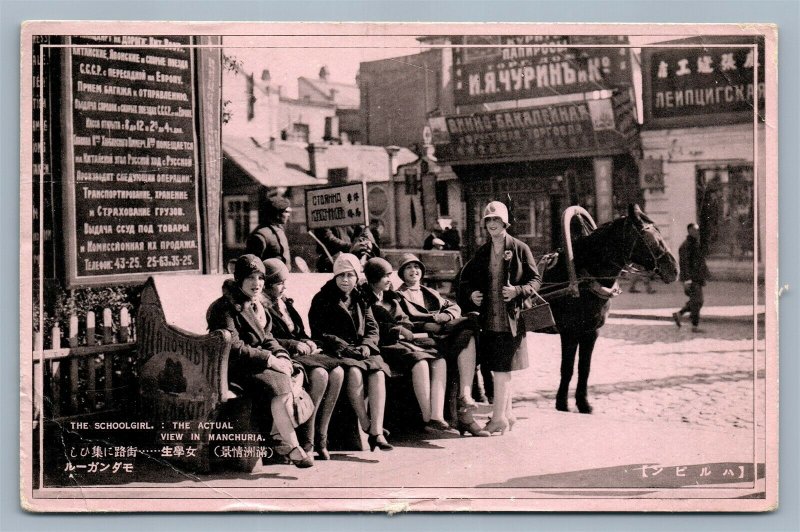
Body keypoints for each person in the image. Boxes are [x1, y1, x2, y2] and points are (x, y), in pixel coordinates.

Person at [206, 254, 313, 468]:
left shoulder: (256, 305)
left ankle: (282, 441)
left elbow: (268, 338)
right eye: (251, 278)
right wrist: (270, 360)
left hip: (255, 365)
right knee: (279, 382)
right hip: (234, 368)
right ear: (239, 280)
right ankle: (290, 445)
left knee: (292, 373)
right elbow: (234, 347)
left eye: (260, 278)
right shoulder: (225, 307)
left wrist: (281, 355)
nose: (257, 284)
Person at [459, 201, 542, 435]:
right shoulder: (483, 252)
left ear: (505, 223)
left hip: (511, 319)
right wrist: (471, 294)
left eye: (496, 220)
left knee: (502, 368)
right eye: (489, 221)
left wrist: (517, 291)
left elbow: (535, 281)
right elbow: (466, 279)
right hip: (489, 318)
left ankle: (498, 419)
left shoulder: (519, 248)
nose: (492, 224)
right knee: (499, 368)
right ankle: (508, 415)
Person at [395, 253, 488, 437]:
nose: (414, 271)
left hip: (440, 336)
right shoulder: (398, 296)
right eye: (408, 268)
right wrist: (427, 325)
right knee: (444, 359)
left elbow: (453, 307)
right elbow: (400, 321)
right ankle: (446, 418)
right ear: (402, 273)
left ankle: (465, 395)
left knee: (468, 332)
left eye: (416, 267)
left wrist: (447, 316)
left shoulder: (430, 292)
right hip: (422, 340)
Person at [308, 253, 394, 451]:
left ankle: (377, 431)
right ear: (334, 277)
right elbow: (320, 332)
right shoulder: (322, 298)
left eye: (350, 275)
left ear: (357, 277)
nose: (345, 280)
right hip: (338, 352)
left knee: (378, 372)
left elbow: (372, 328)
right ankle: (366, 424)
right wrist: (346, 348)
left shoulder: (361, 298)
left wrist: (366, 345)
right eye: (341, 276)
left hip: (362, 350)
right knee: (354, 372)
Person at [261, 258, 345, 460]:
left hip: (301, 354)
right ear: (268, 284)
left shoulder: (284, 303)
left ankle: (321, 436)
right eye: (279, 283)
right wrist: (293, 345)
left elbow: (299, 331)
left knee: (339, 372)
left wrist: (308, 342)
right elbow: (267, 337)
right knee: (320, 374)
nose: (284, 287)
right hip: (284, 357)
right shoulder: (261, 306)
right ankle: (308, 441)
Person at [363, 258, 450, 433]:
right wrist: (397, 330)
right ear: (373, 278)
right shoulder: (365, 299)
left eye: (389, 275)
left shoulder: (390, 297)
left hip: (401, 343)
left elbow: (405, 319)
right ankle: (427, 417)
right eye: (385, 276)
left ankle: (437, 415)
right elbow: (368, 327)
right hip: (383, 345)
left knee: (439, 359)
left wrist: (404, 328)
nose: (389, 280)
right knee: (420, 362)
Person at [673, 223, 710, 333]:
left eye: (698, 230)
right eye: (695, 230)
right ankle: (695, 326)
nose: (697, 232)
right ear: (689, 231)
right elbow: (684, 264)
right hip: (691, 279)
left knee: (697, 301)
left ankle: (679, 314)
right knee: (697, 301)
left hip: (697, 278)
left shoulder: (695, 243)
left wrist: (706, 273)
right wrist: (687, 280)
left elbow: (700, 261)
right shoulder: (686, 245)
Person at [246, 195, 293, 268]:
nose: (289, 215)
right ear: (277, 214)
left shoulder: (279, 228)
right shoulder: (260, 235)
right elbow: (252, 265)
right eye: (286, 212)